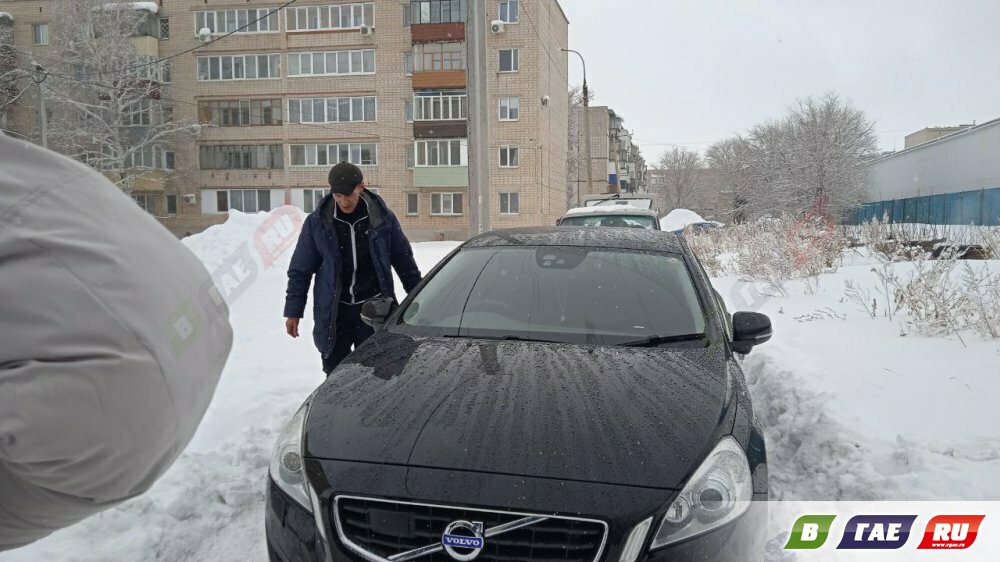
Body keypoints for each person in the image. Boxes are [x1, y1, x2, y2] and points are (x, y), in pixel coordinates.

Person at [0, 135, 232, 550]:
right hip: (183, 340)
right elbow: (306, 267)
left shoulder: (374, 218)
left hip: (89, 409)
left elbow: (393, 257)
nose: (342, 202)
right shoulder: (36, 171)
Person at [283, 162, 422, 374]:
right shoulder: (318, 223)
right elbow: (301, 269)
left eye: (348, 194)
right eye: (338, 195)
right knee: (335, 374)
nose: (344, 201)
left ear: (361, 187)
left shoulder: (382, 219)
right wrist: (293, 310)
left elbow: (403, 258)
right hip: (335, 311)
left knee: (379, 373)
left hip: (375, 309)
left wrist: (419, 297)